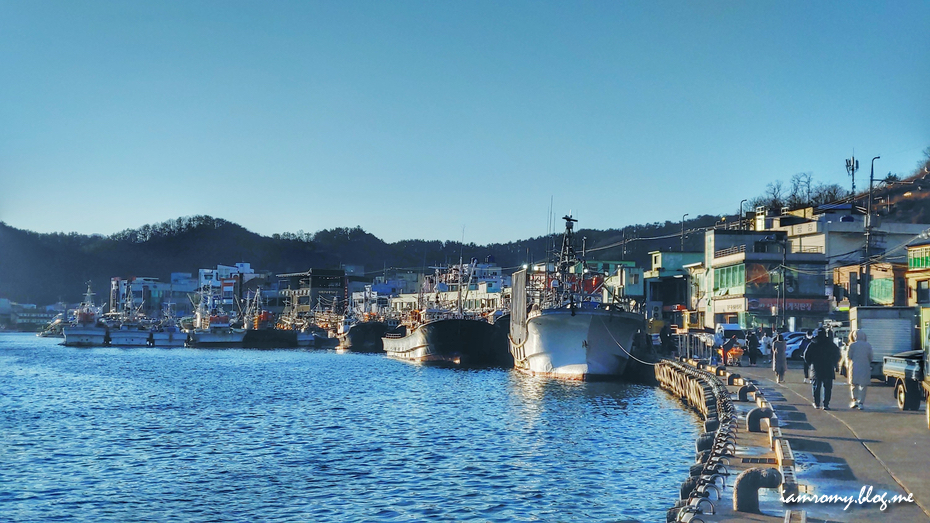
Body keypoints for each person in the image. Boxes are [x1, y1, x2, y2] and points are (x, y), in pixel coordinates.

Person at [804, 329, 841, 410]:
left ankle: (817, 403)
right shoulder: (830, 344)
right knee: (827, 387)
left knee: (816, 387)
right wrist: (834, 363)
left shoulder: (813, 344)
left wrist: (810, 363)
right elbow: (837, 354)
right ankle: (826, 404)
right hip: (828, 367)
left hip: (816, 368)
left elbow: (806, 356)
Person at [846, 330, 874, 409]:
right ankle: (861, 402)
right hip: (865, 366)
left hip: (854, 366)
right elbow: (871, 357)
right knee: (863, 385)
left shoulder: (852, 345)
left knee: (853, 384)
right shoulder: (868, 345)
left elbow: (849, 356)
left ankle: (854, 400)